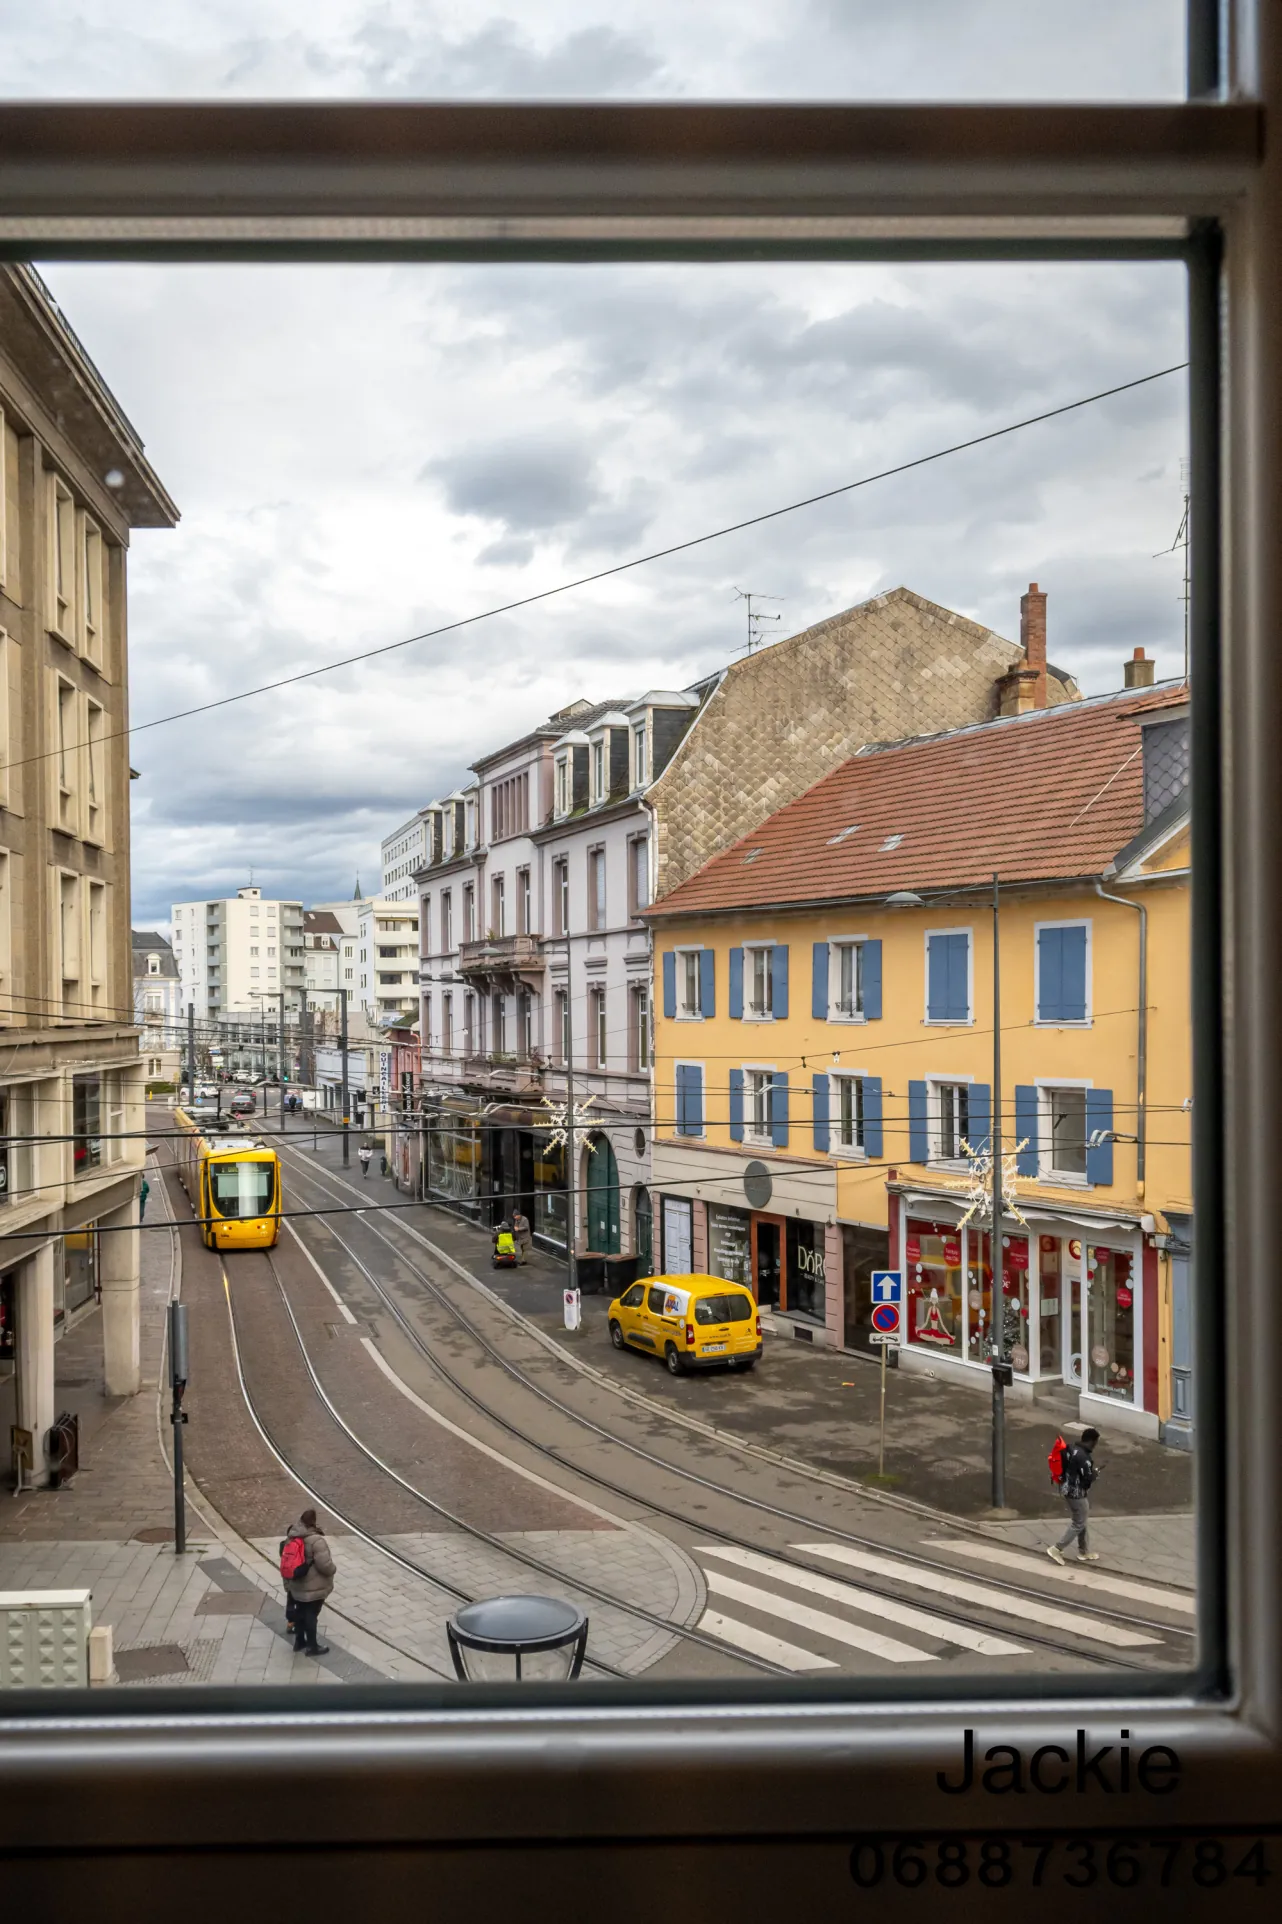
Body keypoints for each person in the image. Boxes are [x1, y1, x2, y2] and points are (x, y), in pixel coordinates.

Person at [284, 1507, 335, 1655]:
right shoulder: (316, 1541)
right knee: (311, 1615)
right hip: (314, 1586)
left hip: (296, 1583)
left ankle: (299, 1642)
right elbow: (324, 1565)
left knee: (300, 1613)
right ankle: (312, 1646)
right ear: (313, 1522)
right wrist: (333, 1569)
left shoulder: (291, 1536)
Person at [1047, 1426, 1101, 1565]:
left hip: (1066, 1488)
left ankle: (1084, 1551)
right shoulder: (1084, 1457)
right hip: (1076, 1493)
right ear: (1092, 1441)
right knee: (1079, 1522)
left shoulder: (1072, 1448)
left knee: (1081, 1519)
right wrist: (1094, 1474)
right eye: (1095, 1442)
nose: (1095, 1445)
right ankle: (1057, 1548)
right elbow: (1086, 1480)